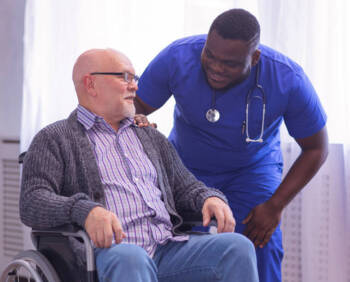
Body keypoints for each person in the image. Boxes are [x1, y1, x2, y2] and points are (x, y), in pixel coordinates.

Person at [19, 48, 259, 282]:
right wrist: (86, 210)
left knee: (237, 247)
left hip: (167, 248)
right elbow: (32, 200)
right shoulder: (54, 137)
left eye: (135, 78)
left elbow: (186, 187)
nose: (134, 85)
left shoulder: (150, 137)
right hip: (107, 253)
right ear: (90, 84)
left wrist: (209, 198)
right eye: (124, 77)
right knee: (132, 258)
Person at [134, 8, 329, 282]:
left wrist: (275, 206)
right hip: (184, 169)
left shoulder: (287, 78)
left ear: (255, 57)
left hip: (250, 171)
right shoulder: (177, 57)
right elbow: (136, 104)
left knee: (260, 242)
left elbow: (317, 148)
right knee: (182, 247)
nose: (215, 67)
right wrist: (137, 123)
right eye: (210, 56)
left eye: (230, 63)